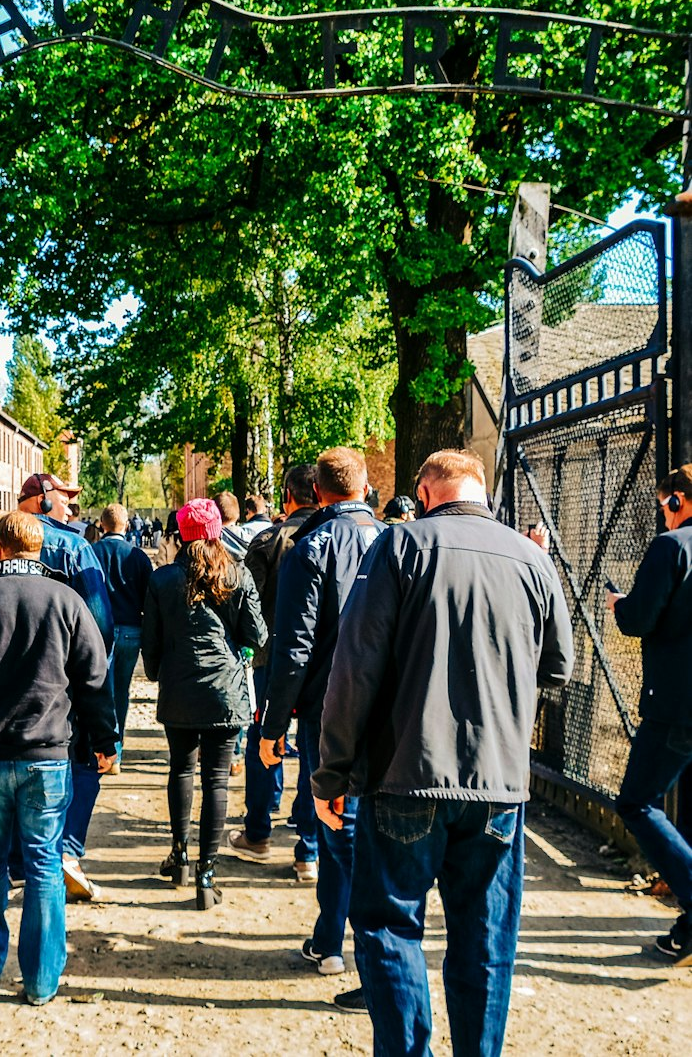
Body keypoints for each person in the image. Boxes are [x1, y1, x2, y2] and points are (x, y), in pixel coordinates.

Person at [315, 449, 573, 1048]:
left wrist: (331, 775)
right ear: (480, 491)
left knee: (388, 926)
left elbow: (354, 671)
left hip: (405, 773)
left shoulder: (401, 548)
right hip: (498, 781)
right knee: (484, 941)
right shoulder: (533, 560)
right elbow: (558, 670)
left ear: (425, 493)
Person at [0, 510, 116, 1006]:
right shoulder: (67, 601)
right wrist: (104, 741)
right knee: (43, 863)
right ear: (40, 550)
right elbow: (94, 678)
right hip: (48, 753)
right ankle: (40, 979)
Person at [259, 447, 384, 985]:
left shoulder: (311, 548)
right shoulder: (395, 542)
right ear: (364, 486)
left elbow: (293, 646)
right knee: (365, 824)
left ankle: (345, 940)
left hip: (326, 706)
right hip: (389, 705)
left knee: (338, 825)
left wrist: (272, 725)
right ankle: (339, 938)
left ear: (319, 491)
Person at [143, 498, 264, 907]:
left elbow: (151, 643)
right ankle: (207, 875)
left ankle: (180, 856)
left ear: (180, 535)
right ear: (217, 532)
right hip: (225, 691)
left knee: (181, 769)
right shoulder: (237, 574)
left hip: (179, 687)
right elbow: (257, 635)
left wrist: (160, 672)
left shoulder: (162, 581)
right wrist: (239, 650)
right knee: (216, 780)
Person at [3, 472, 116, 900]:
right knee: (84, 761)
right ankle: (66, 849)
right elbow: (100, 624)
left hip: (10, 682)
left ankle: (18, 863)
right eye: (64, 499)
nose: (70, 508)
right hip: (67, 678)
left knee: (15, 765)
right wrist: (92, 674)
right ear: (43, 501)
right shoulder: (76, 547)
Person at [608, 463, 692, 966]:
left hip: (677, 703)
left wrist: (620, 604)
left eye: (664, 504)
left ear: (678, 502)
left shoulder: (673, 547)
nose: (662, 513)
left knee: (637, 802)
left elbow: (639, 619)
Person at [230, 463, 321, 881]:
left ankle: (259, 830)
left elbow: (245, 602)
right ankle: (309, 847)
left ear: (288, 495)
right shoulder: (336, 537)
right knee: (317, 748)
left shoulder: (270, 539)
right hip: (323, 662)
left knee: (265, 737)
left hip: (272, 657)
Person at [93, 503, 155, 770]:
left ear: (101, 525)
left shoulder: (91, 553)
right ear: (128, 526)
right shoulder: (137, 557)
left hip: (99, 630)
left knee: (99, 690)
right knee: (122, 691)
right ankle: (116, 749)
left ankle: (101, 749)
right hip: (131, 629)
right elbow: (149, 598)